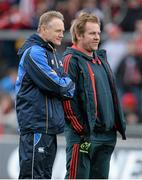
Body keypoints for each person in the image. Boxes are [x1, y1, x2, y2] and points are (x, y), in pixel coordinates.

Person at [63, 12, 126, 179]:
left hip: (106, 137)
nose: (97, 37)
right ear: (78, 35)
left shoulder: (101, 59)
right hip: (84, 138)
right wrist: (82, 131)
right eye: (92, 33)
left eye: (98, 33)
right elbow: (67, 101)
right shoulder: (71, 60)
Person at [15, 11, 75, 179]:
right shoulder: (34, 52)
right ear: (42, 29)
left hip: (48, 128)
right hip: (36, 127)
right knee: (33, 176)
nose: (62, 35)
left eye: (63, 31)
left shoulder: (52, 54)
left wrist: (64, 85)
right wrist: (64, 84)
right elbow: (59, 85)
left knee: (43, 176)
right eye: (58, 31)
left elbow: (67, 86)